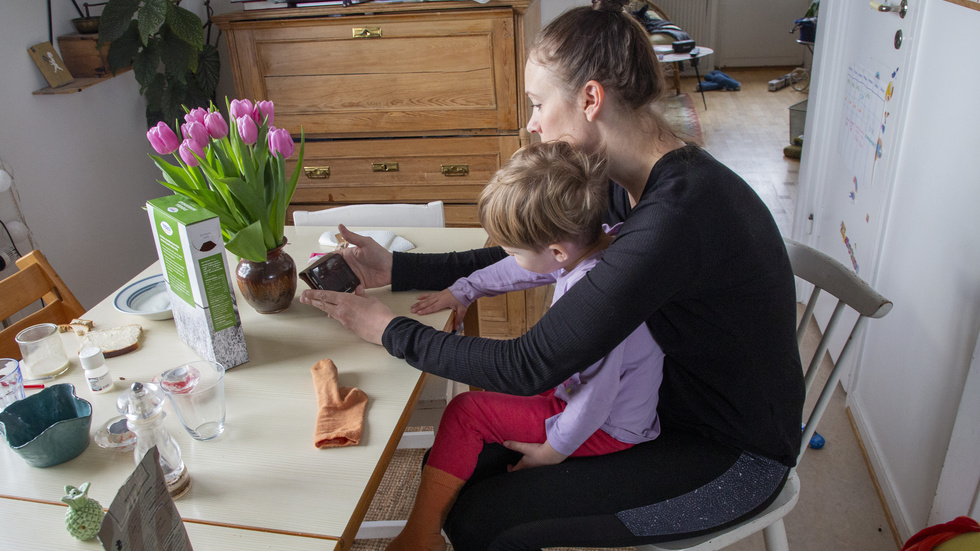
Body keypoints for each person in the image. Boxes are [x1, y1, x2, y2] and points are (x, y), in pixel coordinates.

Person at [300, 0, 805, 548]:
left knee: (484, 518)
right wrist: (398, 267)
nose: (532, 123)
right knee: (472, 457)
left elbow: (529, 364)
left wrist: (388, 331)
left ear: (591, 99)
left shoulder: (675, 218)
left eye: (540, 104)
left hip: (729, 457)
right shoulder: (622, 181)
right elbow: (529, 250)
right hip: (659, 406)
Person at [388, 141, 664, 551]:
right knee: (497, 390)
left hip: (609, 426)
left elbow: (597, 395)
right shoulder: (605, 245)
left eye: (515, 251)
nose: (512, 258)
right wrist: (464, 289)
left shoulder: (596, 299)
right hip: (582, 395)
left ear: (556, 251)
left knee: (466, 412)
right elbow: (517, 272)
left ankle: (420, 537)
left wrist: (551, 452)